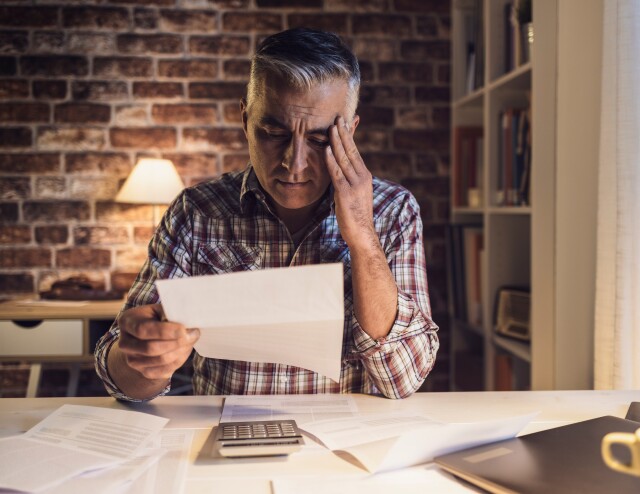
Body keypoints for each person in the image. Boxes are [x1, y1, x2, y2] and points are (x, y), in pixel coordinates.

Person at [95, 28, 439, 401]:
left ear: (350, 134)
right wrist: (145, 360)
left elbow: (403, 380)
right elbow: (122, 383)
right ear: (245, 119)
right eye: (274, 133)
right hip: (227, 443)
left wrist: (363, 238)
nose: (295, 164)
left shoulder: (393, 211)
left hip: (347, 448)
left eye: (320, 140)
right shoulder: (196, 212)